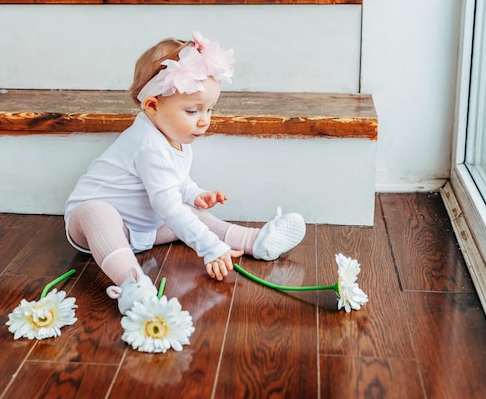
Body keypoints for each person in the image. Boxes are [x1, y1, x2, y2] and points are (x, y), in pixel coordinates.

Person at [64, 31, 306, 312]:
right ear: (152, 106)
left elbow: (176, 181)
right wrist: (209, 248)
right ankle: (133, 282)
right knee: (100, 212)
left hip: (141, 230)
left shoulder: (176, 138)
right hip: (91, 227)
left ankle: (254, 240)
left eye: (210, 110)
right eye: (192, 111)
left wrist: (194, 194)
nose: (204, 121)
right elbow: (166, 204)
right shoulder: (147, 144)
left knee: (189, 212)